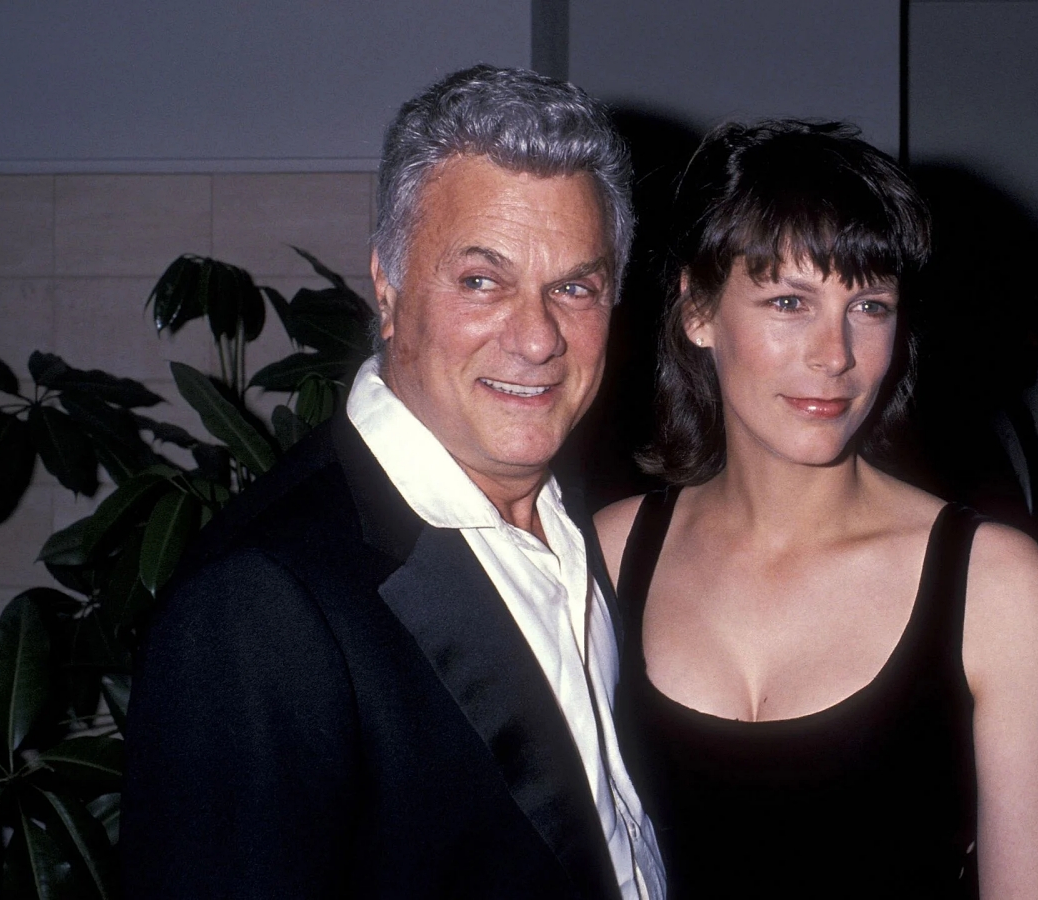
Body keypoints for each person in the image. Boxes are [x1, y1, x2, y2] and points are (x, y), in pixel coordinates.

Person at [122, 65, 664, 899]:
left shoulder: (585, 528)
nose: (537, 338)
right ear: (388, 285)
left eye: (574, 287)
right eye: (481, 281)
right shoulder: (260, 605)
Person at [595, 121, 1038, 898]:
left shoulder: (994, 585)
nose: (836, 354)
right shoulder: (609, 552)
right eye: (790, 301)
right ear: (697, 311)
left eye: (870, 306)